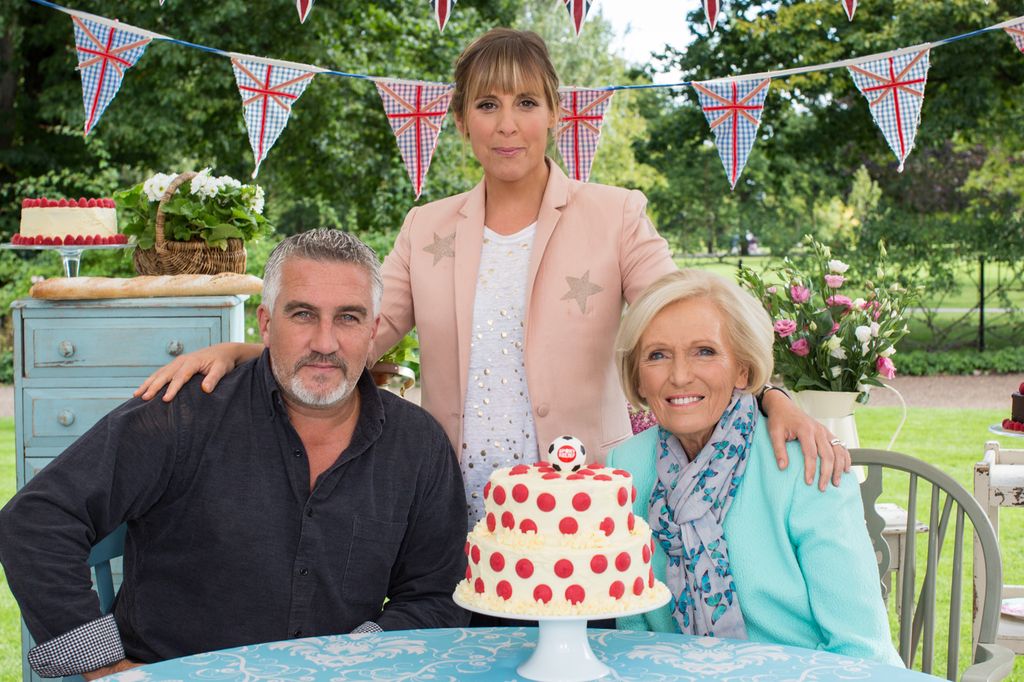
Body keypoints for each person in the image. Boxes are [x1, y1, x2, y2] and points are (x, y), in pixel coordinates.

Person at [133, 29, 849, 531]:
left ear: (557, 114)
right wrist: (242, 353)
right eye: (487, 105)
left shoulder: (616, 214)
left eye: (526, 103)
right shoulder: (426, 228)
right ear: (460, 121)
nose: (508, 125)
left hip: (588, 508)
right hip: (456, 507)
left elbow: (686, 317)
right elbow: (352, 341)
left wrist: (769, 395)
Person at [0, 229, 468, 680]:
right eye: (303, 314)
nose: (325, 342)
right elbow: (37, 521)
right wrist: (106, 668)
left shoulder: (417, 446)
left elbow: (434, 595)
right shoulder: (183, 413)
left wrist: (352, 661)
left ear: (373, 331)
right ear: (266, 323)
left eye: (348, 317)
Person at [609, 269, 901, 665]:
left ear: (743, 371)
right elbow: (634, 636)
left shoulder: (807, 464)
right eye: (657, 355)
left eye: (705, 351)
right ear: (639, 379)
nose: (679, 376)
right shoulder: (624, 467)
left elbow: (861, 650)